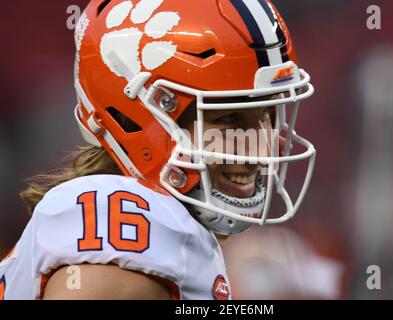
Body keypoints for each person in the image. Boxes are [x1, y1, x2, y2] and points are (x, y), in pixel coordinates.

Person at [0, 0, 315, 300]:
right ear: (134, 116)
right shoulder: (121, 222)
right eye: (229, 118)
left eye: (266, 114)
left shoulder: (159, 226)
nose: (259, 148)